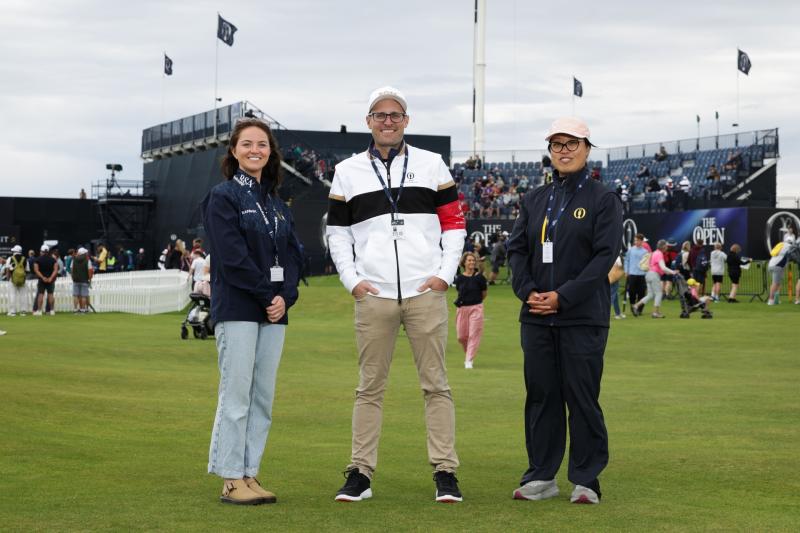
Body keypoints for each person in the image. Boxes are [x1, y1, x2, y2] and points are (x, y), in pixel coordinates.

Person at [326, 86, 466, 503]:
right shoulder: (347, 170)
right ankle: (360, 473)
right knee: (369, 387)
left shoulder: (431, 164)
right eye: (380, 115)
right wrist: (352, 281)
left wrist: (444, 275)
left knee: (436, 385)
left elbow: (454, 225)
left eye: (395, 115)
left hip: (425, 291)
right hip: (375, 295)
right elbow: (337, 234)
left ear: (407, 120)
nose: (388, 121)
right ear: (368, 121)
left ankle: (445, 472)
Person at [507, 117, 622, 505]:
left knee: (582, 396)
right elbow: (516, 249)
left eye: (572, 143)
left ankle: (587, 479)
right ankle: (541, 475)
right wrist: (528, 292)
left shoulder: (603, 199)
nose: (564, 150)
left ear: (587, 148)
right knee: (541, 396)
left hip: (582, 316)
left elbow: (604, 257)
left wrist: (564, 296)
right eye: (557, 144)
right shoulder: (534, 199)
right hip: (536, 315)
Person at [202, 117, 303, 505]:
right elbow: (231, 257)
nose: (255, 150)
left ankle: (250, 472)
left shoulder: (277, 204)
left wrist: (284, 297)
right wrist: (265, 295)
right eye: (247, 144)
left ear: (270, 152)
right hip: (240, 308)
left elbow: (293, 255)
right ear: (234, 151)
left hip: (274, 311)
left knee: (262, 397)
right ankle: (230, 479)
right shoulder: (223, 197)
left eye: (262, 144)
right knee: (236, 395)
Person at [454, 251, 487, 369]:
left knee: (474, 334)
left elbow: (484, 294)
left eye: (473, 260)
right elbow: (460, 292)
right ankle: (469, 353)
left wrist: (475, 301)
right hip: (462, 309)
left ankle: (468, 360)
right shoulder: (460, 278)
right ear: (464, 263)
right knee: (461, 337)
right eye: (469, 260)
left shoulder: (480, 278)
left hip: (476, 308)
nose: (472, 262)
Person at [633, 239, 676, 318]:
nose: (667, 247)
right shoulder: (659, 254)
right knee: (659, 293)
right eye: (666, 245)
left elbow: (660, 268)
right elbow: (663, 267)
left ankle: (636, 306)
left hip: (648, 274)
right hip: (654, 275)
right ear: (663, 246)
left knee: (650, 294)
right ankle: (655, 313)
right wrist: (673, 272)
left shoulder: (654, 253)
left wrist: (670, 272)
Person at [624, 234, 648, 314]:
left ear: (641, 241)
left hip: (642, 275)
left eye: (637, 240)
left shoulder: (645, 252)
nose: (636, 242)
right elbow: (626, 260)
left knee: (642, 292)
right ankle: (632, 306)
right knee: (632, 292)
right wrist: (626, 271)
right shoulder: (631, 250)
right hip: (632, 274)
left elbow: (647, 264)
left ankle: (639, 309)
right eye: (635, 240)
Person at [33, 245, 57, 316]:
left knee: (40, 294)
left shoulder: (37, 259)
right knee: (51, 294)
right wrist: (51, 278)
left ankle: (39, 311)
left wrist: (43, 277)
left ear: (41, 251)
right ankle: (52, 311)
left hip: (41, 280)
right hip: (50, 280)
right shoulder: (53, 259)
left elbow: (36, 270)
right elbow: (55, 270)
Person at [6, 245, 29, 316]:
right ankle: (23, 311)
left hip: (13, 280)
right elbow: (27, 270)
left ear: (15, 251)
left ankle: (13, 312)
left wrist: (8, 278)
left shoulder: (10, 258)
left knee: (12, 295)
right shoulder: (25, 259)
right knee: (23, 295)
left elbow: (7, 270)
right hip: (22, 280)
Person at [71, 247, 93, 313]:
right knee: (84, 296)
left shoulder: (74, 260)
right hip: (84, 280)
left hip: (76, 280)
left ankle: (75, 309)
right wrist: (89, 279)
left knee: (75, 295)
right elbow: (90, 271)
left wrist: (73, 277)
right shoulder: (87, 260)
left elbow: (72, 270)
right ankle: (83, 309)